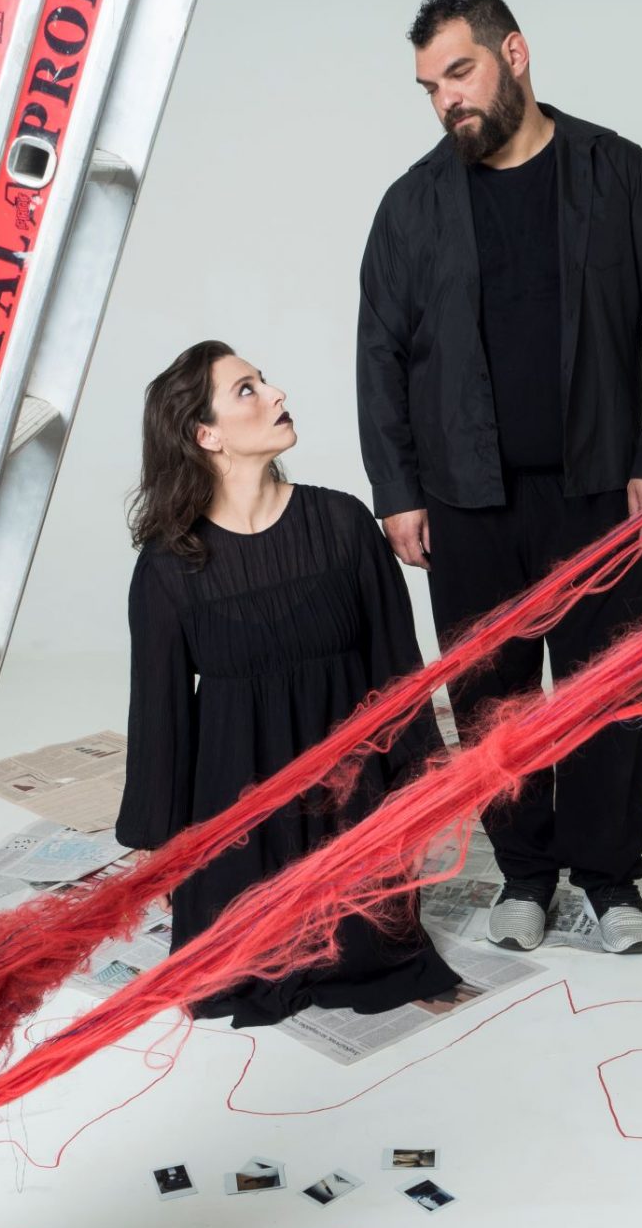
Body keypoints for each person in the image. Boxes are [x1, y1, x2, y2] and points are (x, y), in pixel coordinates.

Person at [357, 0, 642, 955]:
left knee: (609, 690)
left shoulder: (616, 171)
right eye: (430, 87)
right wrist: (397, 491)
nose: (446, 101)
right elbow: (379, 353)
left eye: (459, 73)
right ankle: (524, 874)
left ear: (514, 54)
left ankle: (610, 881)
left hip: (600, 487)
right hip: (464, 501)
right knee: (491, 701)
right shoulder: (412, 205)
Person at [114, 340, 460, 1025]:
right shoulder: (168, 566)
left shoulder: (342, 523)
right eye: (247, 389)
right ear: (205, 434)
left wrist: (422, 788)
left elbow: (397, 670)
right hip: (240, 817)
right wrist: (161, 848)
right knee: (230, 968)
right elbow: (160, 717)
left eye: (265, 381)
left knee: (371, 952)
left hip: (349, 807)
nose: (276, 395)